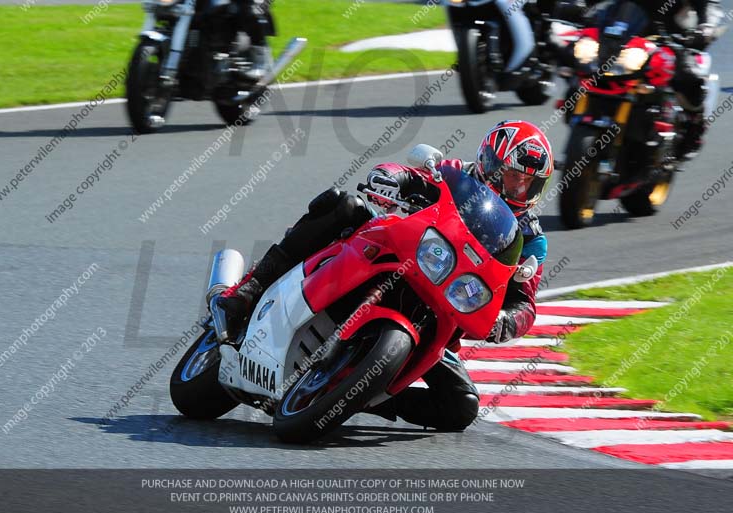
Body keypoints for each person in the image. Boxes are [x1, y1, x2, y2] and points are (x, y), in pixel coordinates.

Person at [215, 120, 553, 431]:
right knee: (344, 206)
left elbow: (525, 305)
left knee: (461, 406)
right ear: (490, 163)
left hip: (438, 311)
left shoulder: (531, 239)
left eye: (528, 183)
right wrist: (392, 178)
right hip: (394, 253)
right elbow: (410, 173)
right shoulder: (453, 175)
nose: (518, 189)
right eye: (512, 176)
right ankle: (249, 289)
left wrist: (503, 321)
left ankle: (365, 393)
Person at [561, 0, 724, 157]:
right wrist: (577, 5)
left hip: (670, 38)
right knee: (574, 55)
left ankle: (694, 128)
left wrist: (706, 26)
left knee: (690, 77)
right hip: (621, 37)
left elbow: (708, 6)